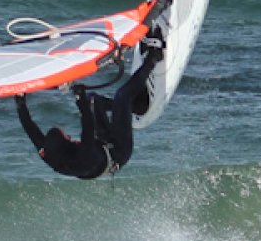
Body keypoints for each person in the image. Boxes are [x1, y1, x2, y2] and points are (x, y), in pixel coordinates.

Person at [15, 37, 163, 180]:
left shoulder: (47, 151)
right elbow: (88, 125)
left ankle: (134, 107)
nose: (70, 137)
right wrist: (80, 98)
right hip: (117, 152)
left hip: (101, 144)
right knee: (122, 96)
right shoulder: (83, 156)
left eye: (67, 136)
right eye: (67, 137)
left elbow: (29, 126)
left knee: (93, 100)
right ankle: (155, 56)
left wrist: (20, 98)